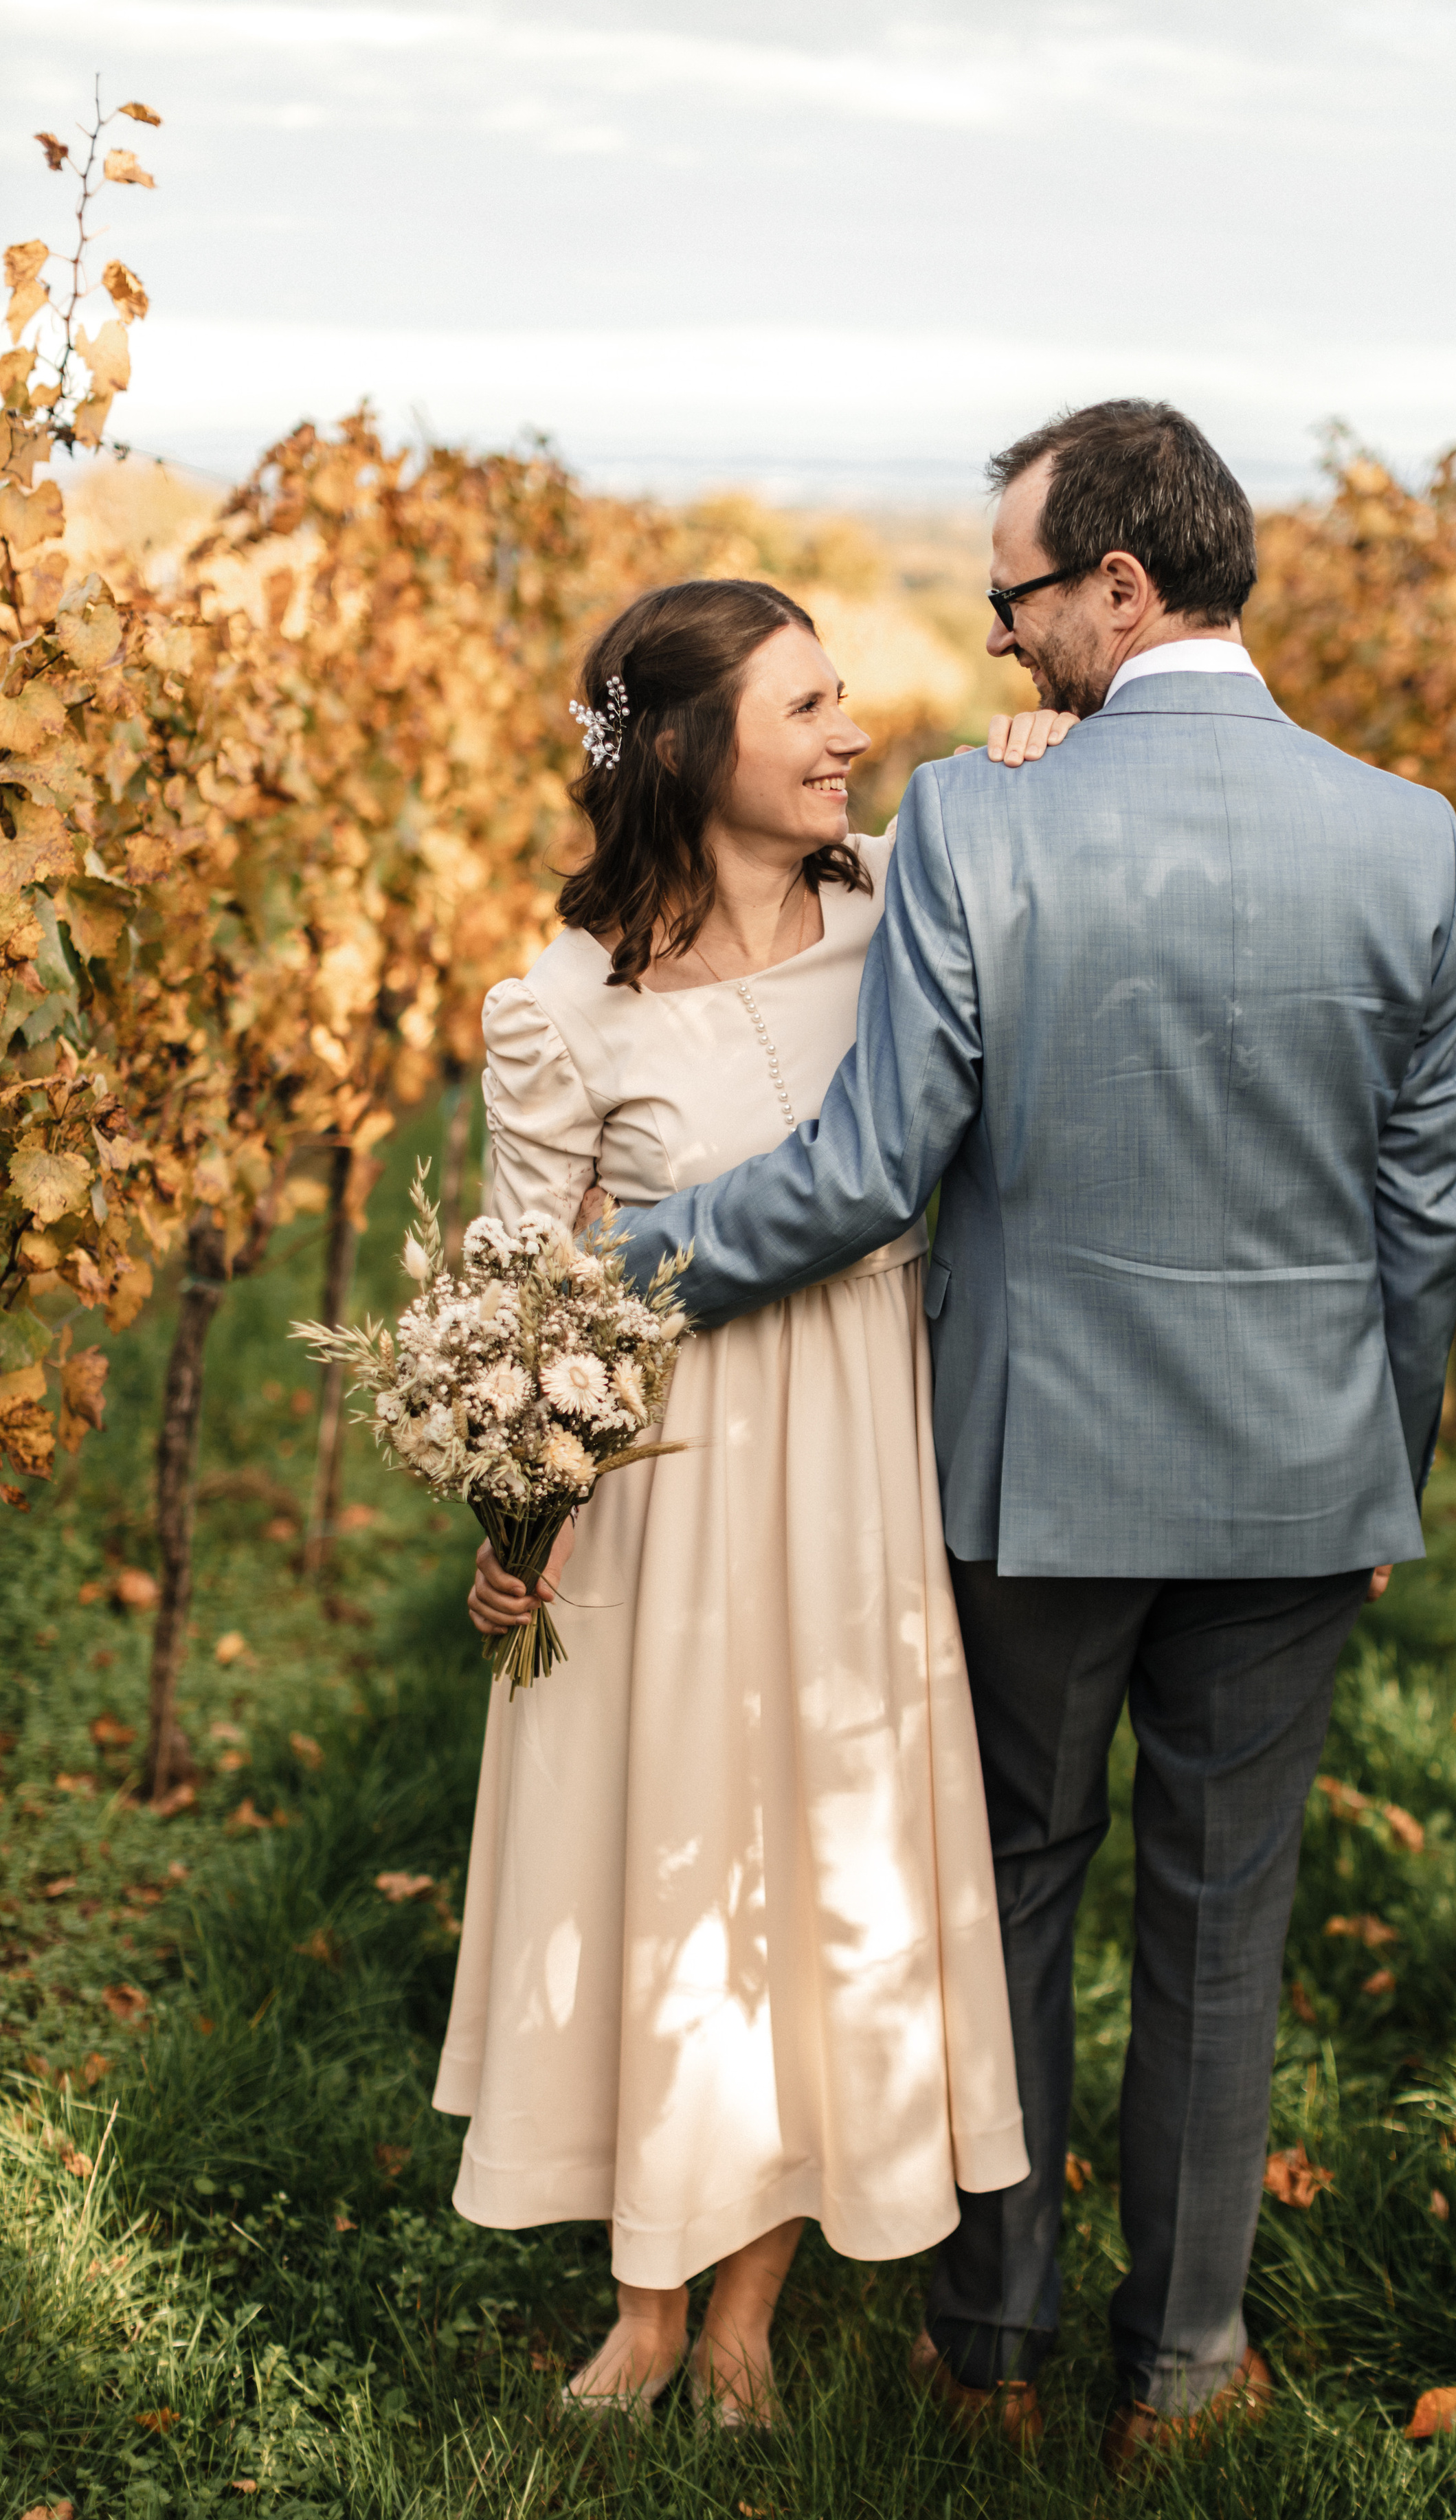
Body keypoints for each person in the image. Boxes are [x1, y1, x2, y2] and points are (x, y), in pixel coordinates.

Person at [608, 401, 1456, 2467]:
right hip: (1302, 1476)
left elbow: (866, 1172)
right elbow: (1424, 1216)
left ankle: (986, 2348)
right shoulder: (1410, 836)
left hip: (1035, 1472)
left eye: (1015, 599)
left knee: (1009, 1887)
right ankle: (1182, 2371)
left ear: (1120, 585)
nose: (1000, 640)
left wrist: (608, 1278)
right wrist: (1390, 1466)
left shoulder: (981, 826)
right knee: (1224, 1921)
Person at [438, 576, 1066, 2427]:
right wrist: (516, 1522)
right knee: (662, 1851)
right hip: (670, 1483)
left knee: (824, 1851)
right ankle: (649, 2298)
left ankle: (746, 2320)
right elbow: (520, 1300)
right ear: (693, 747)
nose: (850, 734)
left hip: (864, 1455)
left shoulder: (895, 920)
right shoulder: (566, 1007)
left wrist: (1047, 754)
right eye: (806, 707)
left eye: (842, 697)